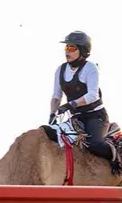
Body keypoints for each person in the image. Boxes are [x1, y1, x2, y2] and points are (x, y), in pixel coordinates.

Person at [49, 31, 115, 165]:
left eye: (72, 48)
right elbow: (56, 97)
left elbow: (92, 95)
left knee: (93, 145)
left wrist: (70, 104)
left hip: (95, 117)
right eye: (66, 47)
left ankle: (117, 156)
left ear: (83, 50)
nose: (67, 51)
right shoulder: (60, 70)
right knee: (51, 136)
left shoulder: (90, 68)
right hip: (76, 118)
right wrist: (52, 115)